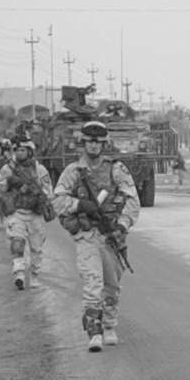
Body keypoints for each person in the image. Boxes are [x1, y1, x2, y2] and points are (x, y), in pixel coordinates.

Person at [53, 120, 139, 352]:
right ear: (83, 143)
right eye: (89, 142)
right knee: (93, 283)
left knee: (112, 285)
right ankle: (94, 331)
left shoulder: (116, 169)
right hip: (87, 235)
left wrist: (121, 227)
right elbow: (58, 201)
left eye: (98, 142)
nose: (93, 146)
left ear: (104, 144)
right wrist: (80, 204)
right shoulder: (73, 172)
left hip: (111, 235)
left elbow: (132, 201)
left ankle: (110, 325)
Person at [0, 137, 54, 290]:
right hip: (17, 213)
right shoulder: (8, 169)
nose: (19, 153)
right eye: (17, 150)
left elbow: (49, 191)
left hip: (35, 214)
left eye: (23, 150)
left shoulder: (39, 169)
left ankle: (34, 276)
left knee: (36, 249)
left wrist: (37, 191)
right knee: (17, 243)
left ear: (29, 151)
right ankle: (19, 273)